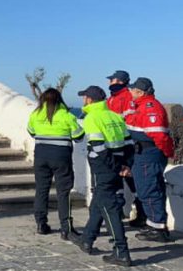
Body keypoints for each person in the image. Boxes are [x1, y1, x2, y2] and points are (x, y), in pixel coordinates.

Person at [71, 86, 132, 267]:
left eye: (84, 98)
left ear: (89, 100)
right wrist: (126, 165)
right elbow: (129, 144)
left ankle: (121, 251)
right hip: (118, 165)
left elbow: (99, 148)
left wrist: (115, 168)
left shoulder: (91, 118)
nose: (83, 101)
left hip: (104, 168)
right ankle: (87, 239)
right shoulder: (115, 116)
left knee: (109, 209)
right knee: (99, 201)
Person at [27, 88, 84, 239]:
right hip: (61, 156)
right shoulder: (66, 115)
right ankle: (66, 228)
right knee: (63, 192)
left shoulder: (35, 114)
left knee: (41, 189)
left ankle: (41, 224)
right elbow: (79, 136)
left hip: (40, 155)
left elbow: (31, 132)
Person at [127, 77, 174, 242]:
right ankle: (156, 225)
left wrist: (166, 152)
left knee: (149, 189)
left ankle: (157, 228)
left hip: (149, 154)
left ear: (140, 92)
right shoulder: (141, 106)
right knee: (152, 188)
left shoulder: (150, 107)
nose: (130, 92)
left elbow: (159, 135)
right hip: (145, 153)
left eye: (132, 90)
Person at [106, 70, 144, 226]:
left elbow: (129, 119)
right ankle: (118, 212)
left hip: (126, 143)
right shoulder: (112, 99)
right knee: (117, 179)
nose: (109, 83)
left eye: (111, 80)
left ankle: (140, 212)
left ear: (118, 81)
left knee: (130, 177)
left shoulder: (127, 97)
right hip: (115, 143)